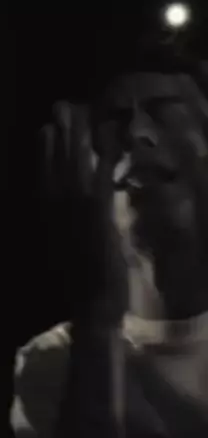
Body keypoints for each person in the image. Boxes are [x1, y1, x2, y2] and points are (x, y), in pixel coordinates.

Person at [11, 51, 208, 437]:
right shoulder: (52, 362)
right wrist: (97, 323)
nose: (136, 134)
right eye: (113, 123)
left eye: (165, 112)